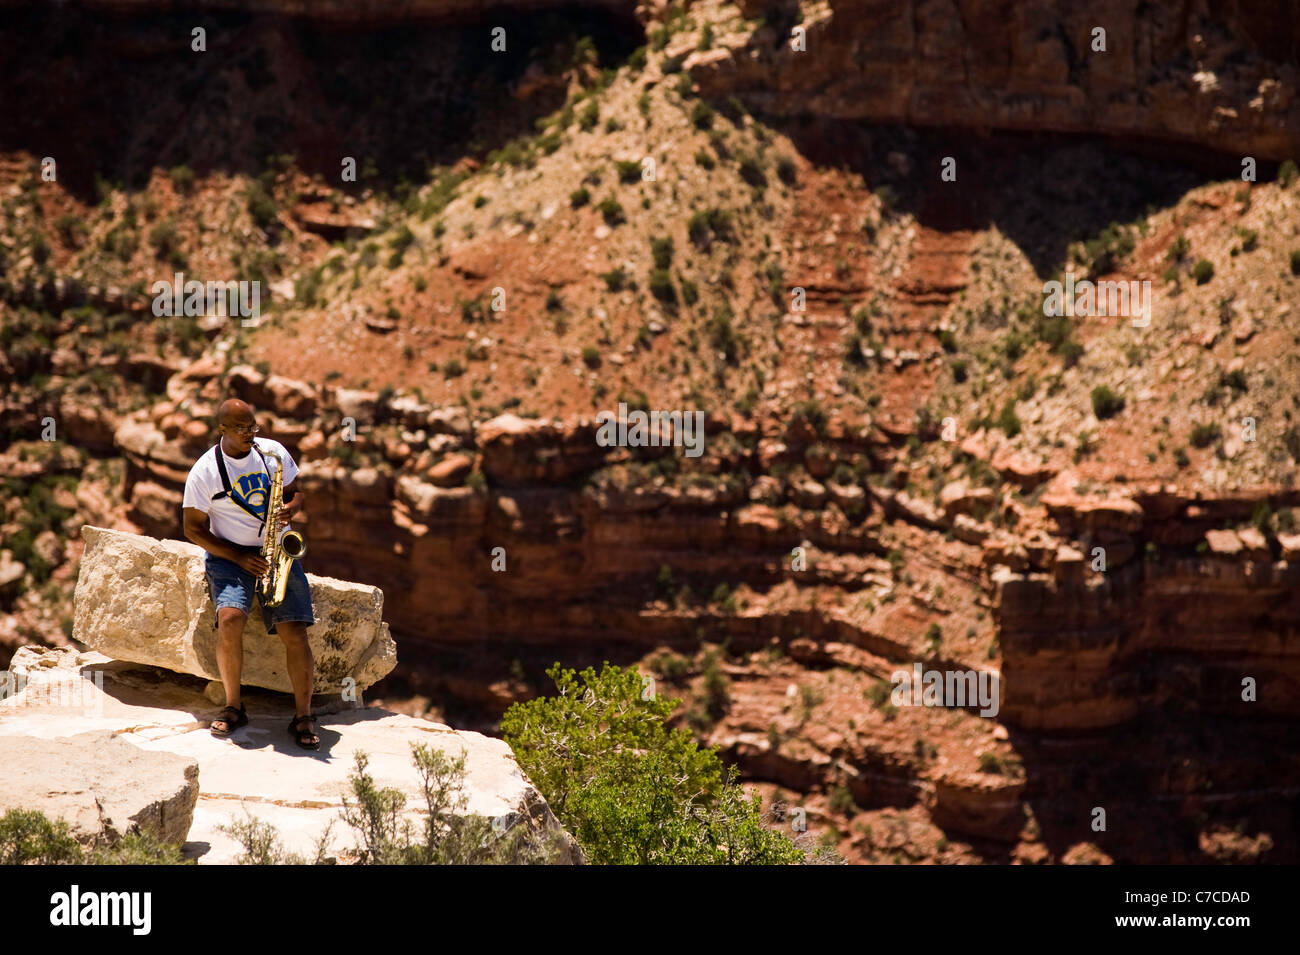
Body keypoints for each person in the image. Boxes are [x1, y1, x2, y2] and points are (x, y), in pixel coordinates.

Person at [181, 397, 320, 749]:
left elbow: (297, 492)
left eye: (253, 426)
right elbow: (193, 530)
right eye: (242, 428)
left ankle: (303, 716)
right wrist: (239, 558)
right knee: (229, 618)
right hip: (231, 556)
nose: (251, 434)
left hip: (276, 553)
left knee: (295, 628)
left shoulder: (271, 452)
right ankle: (233, 706)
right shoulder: (204, 472)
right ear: (222, 430)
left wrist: (290, 509)